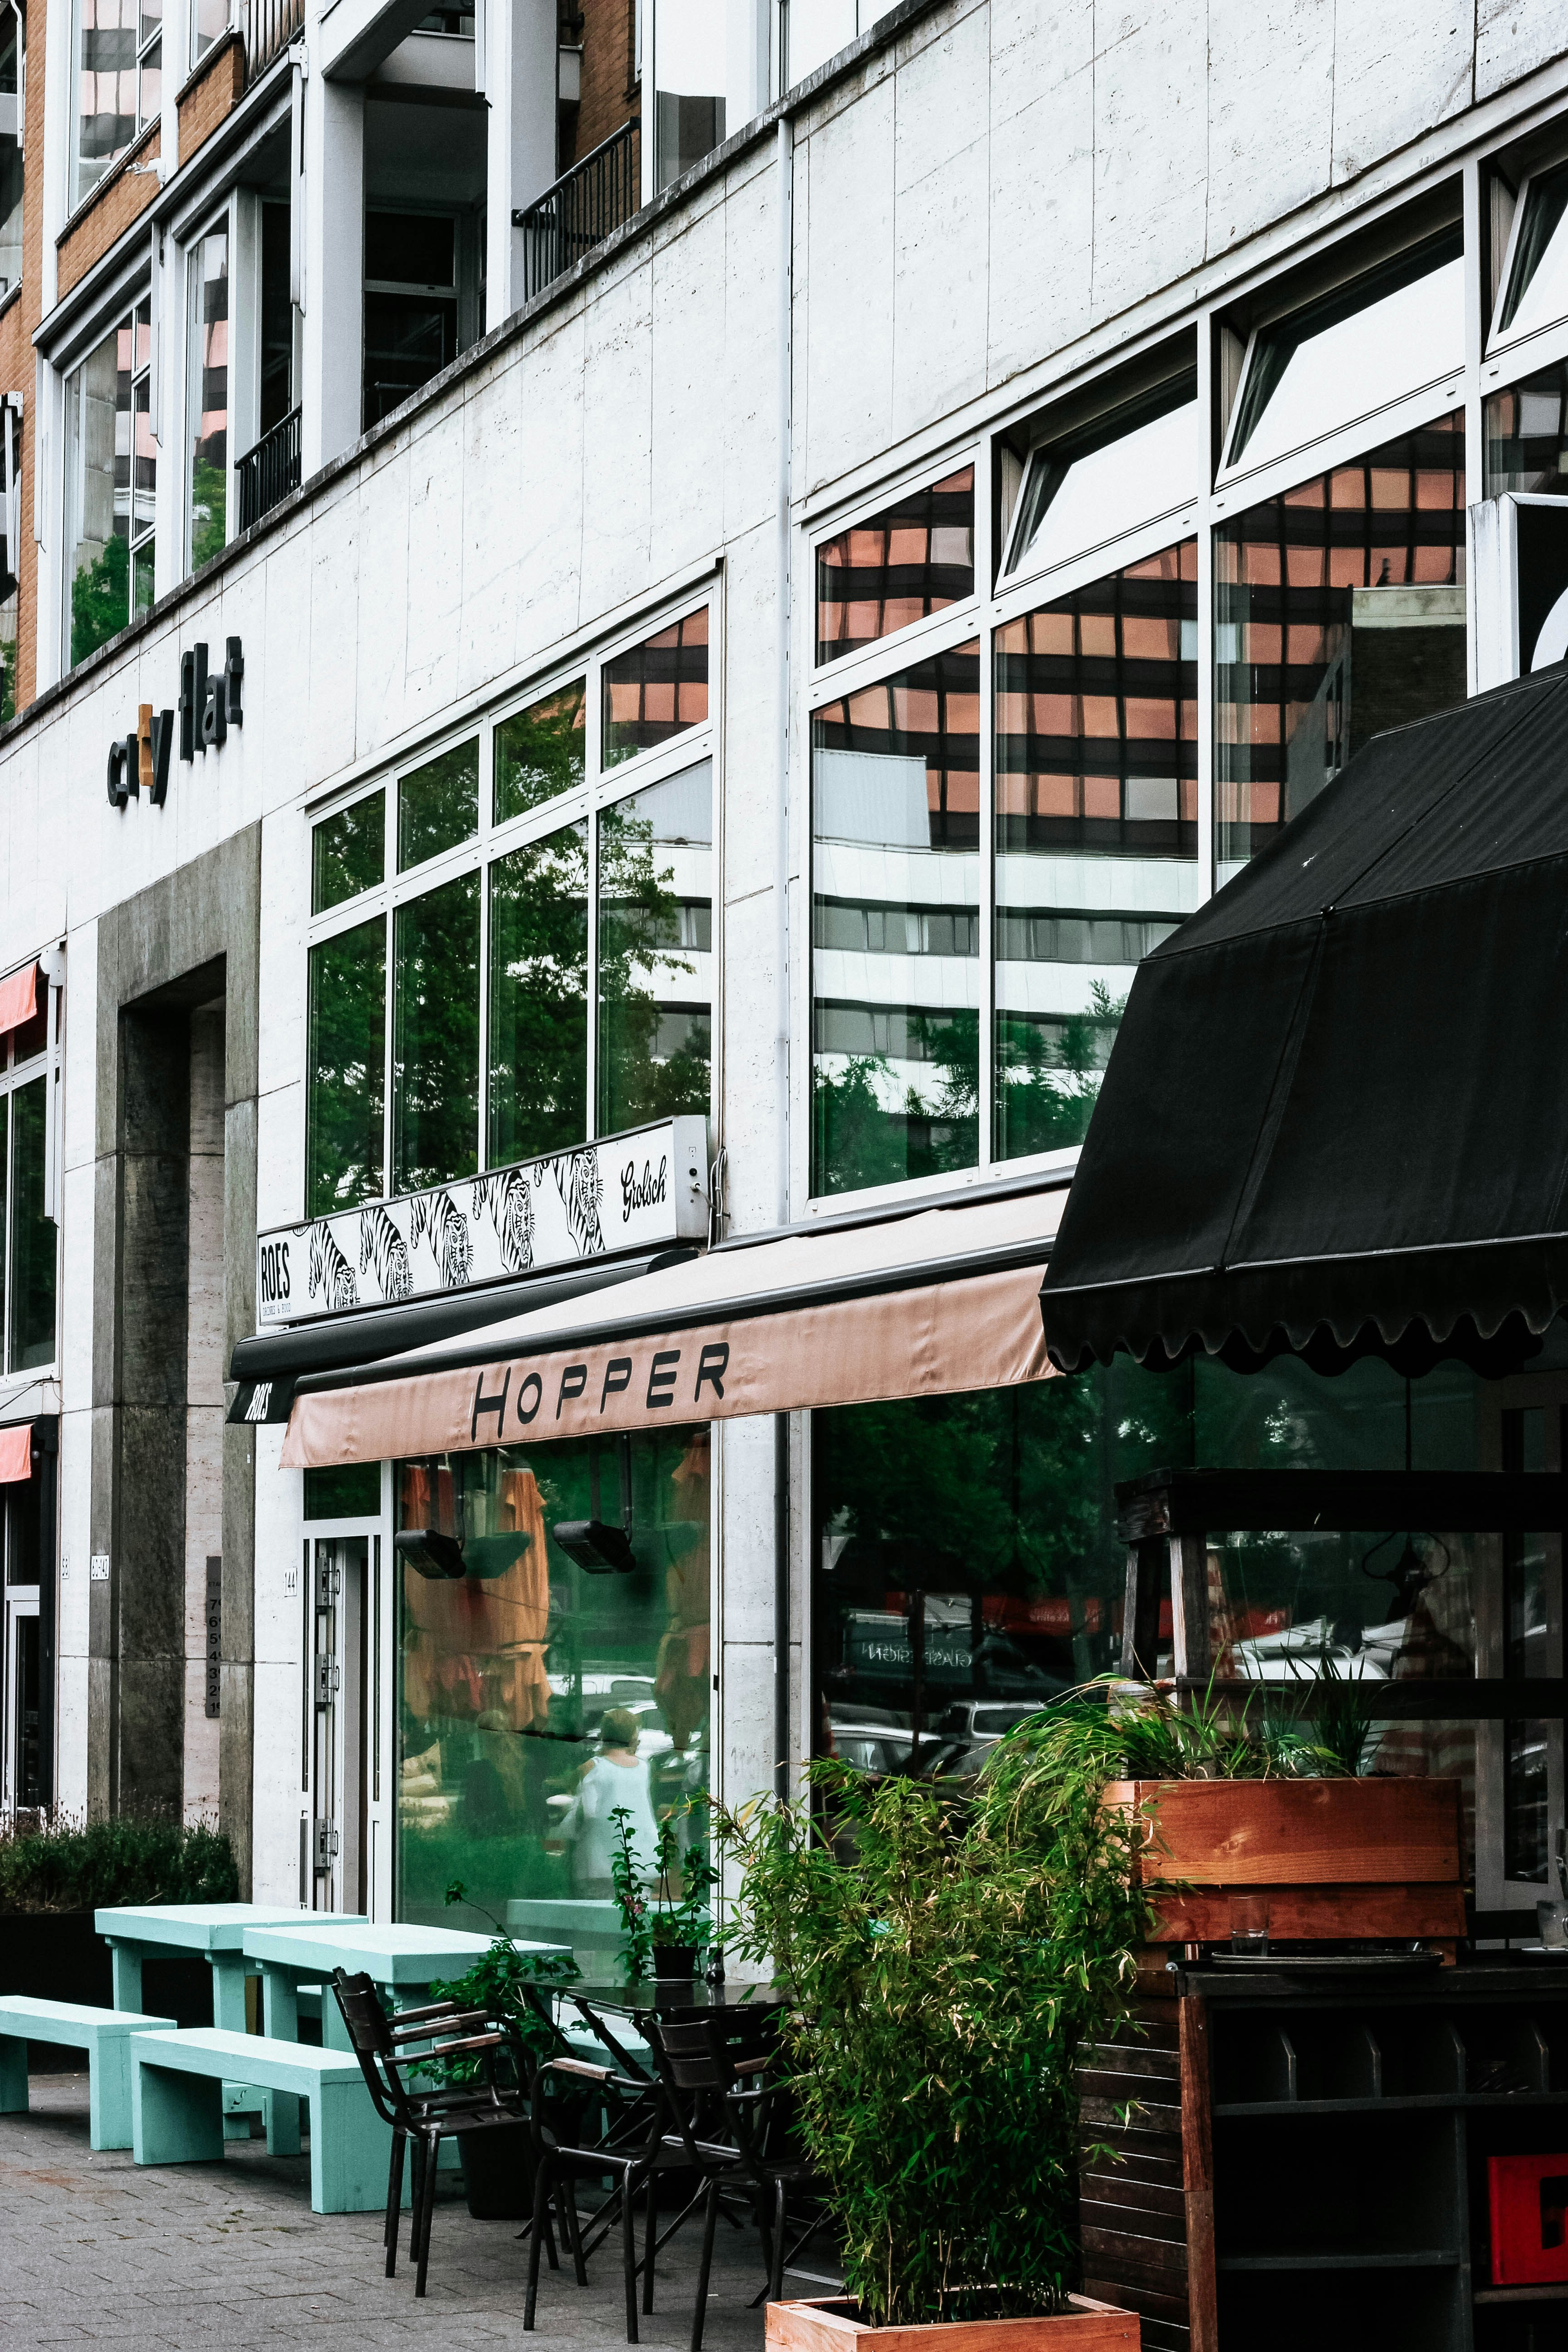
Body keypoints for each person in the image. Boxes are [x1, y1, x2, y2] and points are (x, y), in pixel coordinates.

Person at [562, 1706, 660, 1896]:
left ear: (602, 1735)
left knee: (598, 1912)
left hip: (598, 1863)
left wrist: (568, 1833)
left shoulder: (591, 1768)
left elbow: (587, 1813)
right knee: (636, 1911)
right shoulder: (645, 1768)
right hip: (642, 1862)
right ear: (633, 1736)